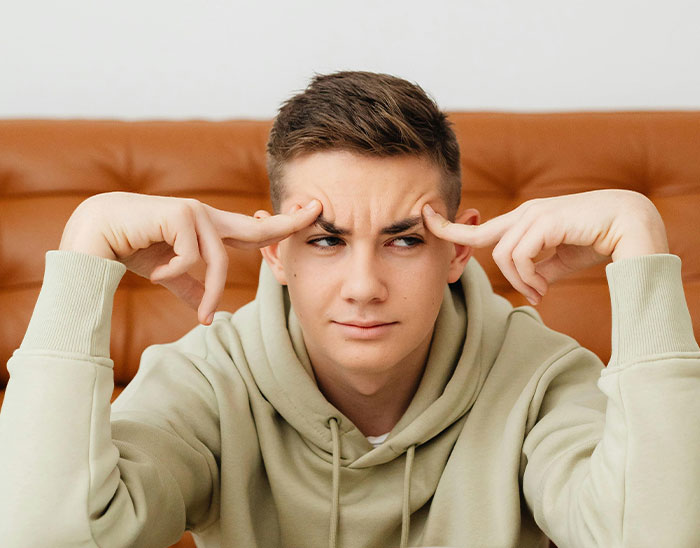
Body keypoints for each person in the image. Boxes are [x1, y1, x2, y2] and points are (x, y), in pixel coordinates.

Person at [1, 71, 698, 548]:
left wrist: (640, 243)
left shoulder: (540, 376)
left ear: (457, 253)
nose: (363, 285)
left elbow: (655, 537)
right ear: (276, 252)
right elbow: (47, 536)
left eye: (404, 240)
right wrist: (86, 248)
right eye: (326, 240)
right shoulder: (209, 378)